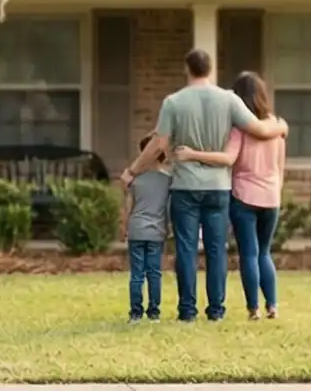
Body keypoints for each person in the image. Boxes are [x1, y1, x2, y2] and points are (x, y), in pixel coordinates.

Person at [122, 48, 287, 322]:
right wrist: (281, 127)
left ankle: (187, 311)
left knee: (186, 249)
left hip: (185, 186)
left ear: (187, 69)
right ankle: (216, 311)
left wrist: (133, 170)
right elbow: (258, 129)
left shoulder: (173, 102)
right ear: (210, 69)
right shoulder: (229, 99)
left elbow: (159, 143)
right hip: (218, 188)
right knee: (216, 249)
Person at [225, 71, 287, 320]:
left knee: (249, 254)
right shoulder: (277, 128)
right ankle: (272, 305)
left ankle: (254, 308)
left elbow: (231, 161)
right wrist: (276, 190)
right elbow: (281, 167)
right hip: (271, 196)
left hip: (244, 196)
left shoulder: (240, 129)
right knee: (264, 252)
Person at [119, 133, 173, 321]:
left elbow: (128, 207)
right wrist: (169, 228)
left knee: (137, 274)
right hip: (156, 232)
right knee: (154, 273)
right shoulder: (168, 180)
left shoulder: (135, 181)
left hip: (136, 230)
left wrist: (124, 228)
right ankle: (154, 312)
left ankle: (135, 312)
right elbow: (168, 209)